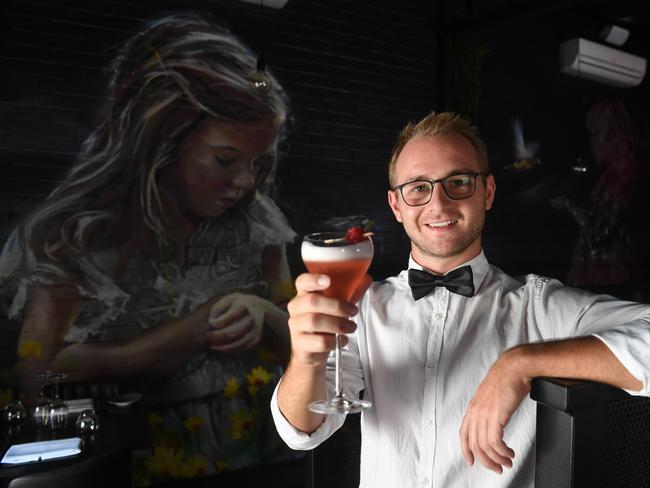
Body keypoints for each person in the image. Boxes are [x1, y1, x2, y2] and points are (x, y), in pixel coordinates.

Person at [270, 111, 650, 487]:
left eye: (459, 182)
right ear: (396, 206)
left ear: (487, 192)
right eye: (419, 187)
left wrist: (519, 363)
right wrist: (306, 359)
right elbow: (302, 432)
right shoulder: (363, 308)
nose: (438, 204)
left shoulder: (539, 306)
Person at [0, 13, 297, 481]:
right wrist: (191, 330)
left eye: (258, 164)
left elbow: (306, 342)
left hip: (268, 456)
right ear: (161, 140)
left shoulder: (257, 226)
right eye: (225, 159)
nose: (244, 182)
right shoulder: (73, 235)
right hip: (135, 465)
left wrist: (265, 315)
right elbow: (37, 374)